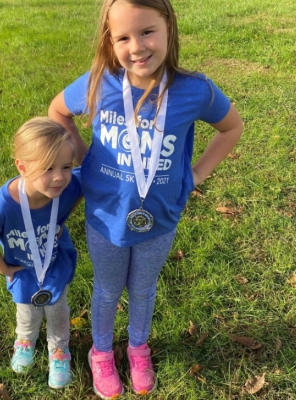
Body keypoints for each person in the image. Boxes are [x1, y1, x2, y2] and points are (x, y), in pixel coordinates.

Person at [48, 0, 243, 397]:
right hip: (106, 215)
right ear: (110, 41)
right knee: (106, 289)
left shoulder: (194, 90)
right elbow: (58, 112)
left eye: (147, 31)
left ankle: (138, 347)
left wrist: (196, 174)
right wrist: (84, 160)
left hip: (160, 217)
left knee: (143, 289)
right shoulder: (99, 83)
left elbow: (231, 128)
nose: (136, 46)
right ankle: (101, 353)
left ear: (169, 28)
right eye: (123, 37)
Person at [0, 117, 82, 389]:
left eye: (66, 166)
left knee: (58, 310)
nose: (59, 176)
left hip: (55, 264)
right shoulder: (2, 207)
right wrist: (5, 270)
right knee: (27, 310)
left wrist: (60, 221)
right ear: (22, 167)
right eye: (47, 168)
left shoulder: (68, 187)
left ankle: (59, 352)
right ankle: (25, 341)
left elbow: (85, 184)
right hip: (21, 269)